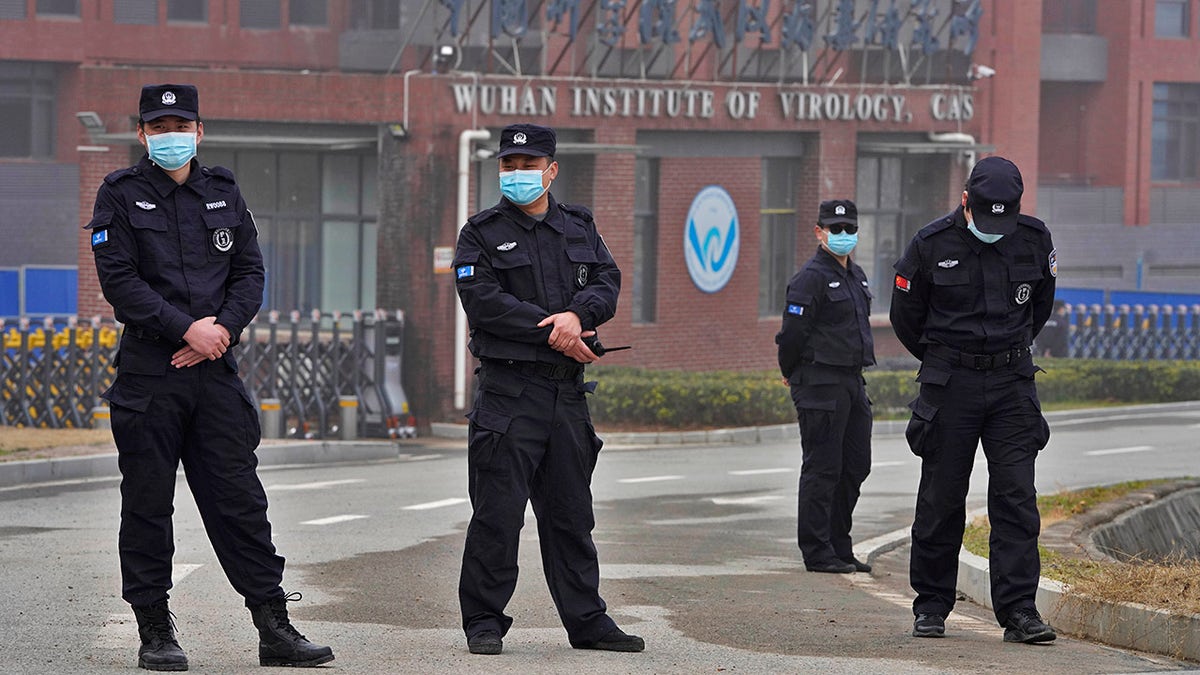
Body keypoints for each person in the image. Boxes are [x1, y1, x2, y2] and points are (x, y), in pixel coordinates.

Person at [86, 84, 333, 671]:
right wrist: (185, 330)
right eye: (158, 125)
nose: (170, 134)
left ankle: (274, 626)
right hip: (151, 371)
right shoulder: (118, 195)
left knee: (240, 502)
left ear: (200, 131)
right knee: (147, 505)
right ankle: (154, 630)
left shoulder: (224, 192)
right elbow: (119, 281)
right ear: (142, 134)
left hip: (215, 372)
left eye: (181, 124)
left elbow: (249, 271)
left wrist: (218, 332)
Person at [452, 123, 644, 656]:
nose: (517, 174)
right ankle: (484, 621)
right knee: (498, 514)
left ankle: (587, 622)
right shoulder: (480, 232)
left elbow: (607, 282)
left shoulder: (579, 227)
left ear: (552, 170)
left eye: (529, 165)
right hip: (508, 395)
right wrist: (557, 330)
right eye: (508, 166)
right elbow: (484, 302)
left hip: (566, 397)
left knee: (571, 515)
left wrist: (576, 316)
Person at [890, 156, 1058, 644]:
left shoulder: (1033, 238)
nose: (994, 229)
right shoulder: (930, 243)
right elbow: (907, 317)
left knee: (1016, 499)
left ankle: (1020, 611)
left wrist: (1006, 352)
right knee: (941, 497)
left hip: (1011, 384)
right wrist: (948, 359)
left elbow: (1040, 306)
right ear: (966, 201)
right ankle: (932, 605)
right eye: (986, 217)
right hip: (952, 384)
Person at [775, 200, 875, 575]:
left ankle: (839, 546)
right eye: (836, 229)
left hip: (851, 380)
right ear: (819, 232)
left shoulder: (856, 275)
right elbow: (793, 333)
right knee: (823, 468)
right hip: (819, 382)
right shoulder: (810, 278)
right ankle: (817, 551)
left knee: (855, 466)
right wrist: (790, 370)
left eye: (850, 229)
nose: (844, 235)